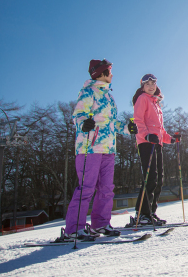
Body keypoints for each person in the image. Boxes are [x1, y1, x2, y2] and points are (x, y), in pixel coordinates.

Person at [56, 59, 138, 242]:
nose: (112, 74)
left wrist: (127, 128)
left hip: (109, 148)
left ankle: (100, 223)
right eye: (110, 71)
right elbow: (78, 116)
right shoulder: (87, 92)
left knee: (107, 188)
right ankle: (73, 229)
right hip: (89, 147)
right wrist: (84, 124)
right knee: (86, 188)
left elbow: (112, 123)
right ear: (101, 73)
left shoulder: (109, 96)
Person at [130, 73, 177, 226]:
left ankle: (151, 212)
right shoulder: (142, 99)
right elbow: (138, 121)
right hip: (145, 143)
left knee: (158, 179)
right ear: (142, 86)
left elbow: (160, 130)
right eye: (147, 84)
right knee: (150, 178)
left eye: (153, 84)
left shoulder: (156, 103)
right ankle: (142, 214)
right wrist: (147, 136)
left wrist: (171, 139)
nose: (151, 86)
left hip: (156, 143)